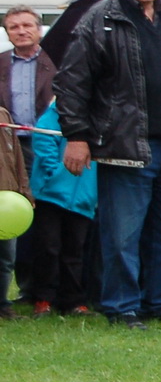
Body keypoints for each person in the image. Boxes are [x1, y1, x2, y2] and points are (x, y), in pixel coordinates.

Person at [53, 0, 161, 328]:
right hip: (124, 145)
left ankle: (159, 303)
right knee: (122, 234)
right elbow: (71, 83)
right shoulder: (99, 20)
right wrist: (77, 137)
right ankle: (122, 307)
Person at [2, 6, 54, 309]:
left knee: (46, 216)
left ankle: (44, 289)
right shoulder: (0, 64)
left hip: (47, 145)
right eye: (14, 27)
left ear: (39, 29)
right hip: (9, 148)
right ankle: (23, 287)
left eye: (26, 25)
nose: (21, 31)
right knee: (16, 213)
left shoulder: (56, 62)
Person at [25, 99, 96, 315]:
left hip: (84, 198)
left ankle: (73, 300)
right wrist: (56, 178)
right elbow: (44, 151)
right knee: (48, 247)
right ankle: (43, 298)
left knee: (75, 250)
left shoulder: (97, 118)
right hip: (50, 196)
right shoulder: (51, 117)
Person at [0, 101, 28, 318]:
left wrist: (25, 191)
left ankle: (2, 304)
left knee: (6, 258)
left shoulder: (4, 115)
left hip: (9, 202)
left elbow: (17, 157)